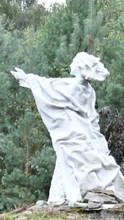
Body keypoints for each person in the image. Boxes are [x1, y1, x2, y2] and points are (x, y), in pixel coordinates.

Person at [11, 52, 124, 204]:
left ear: (79, 66)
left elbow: (47, 85)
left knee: (69, 160)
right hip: (83, 130)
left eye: (73, 62)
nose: (71, 65)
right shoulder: (89, 90)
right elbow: (91, 115)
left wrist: (27, 78)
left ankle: (69, 196)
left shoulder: (73, 85)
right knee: (71, 159)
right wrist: (94, 135)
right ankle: (60, 196)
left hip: (71, 130)